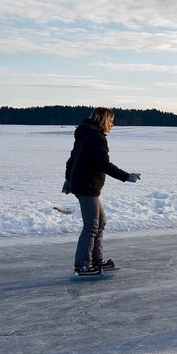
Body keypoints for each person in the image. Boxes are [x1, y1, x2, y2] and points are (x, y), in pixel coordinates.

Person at [62, 107, 140, 277]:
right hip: (87, 185)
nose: (112, 125)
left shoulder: (85, 135)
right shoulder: (96, 138)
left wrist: (68, 180)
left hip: (84, 184)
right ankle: (82, 265)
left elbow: (72, 159)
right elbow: (103, 164)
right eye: (111, 121)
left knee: (100, 222)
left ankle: (96, 261)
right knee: (91, 226)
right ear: (104, 120)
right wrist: (126, 176)